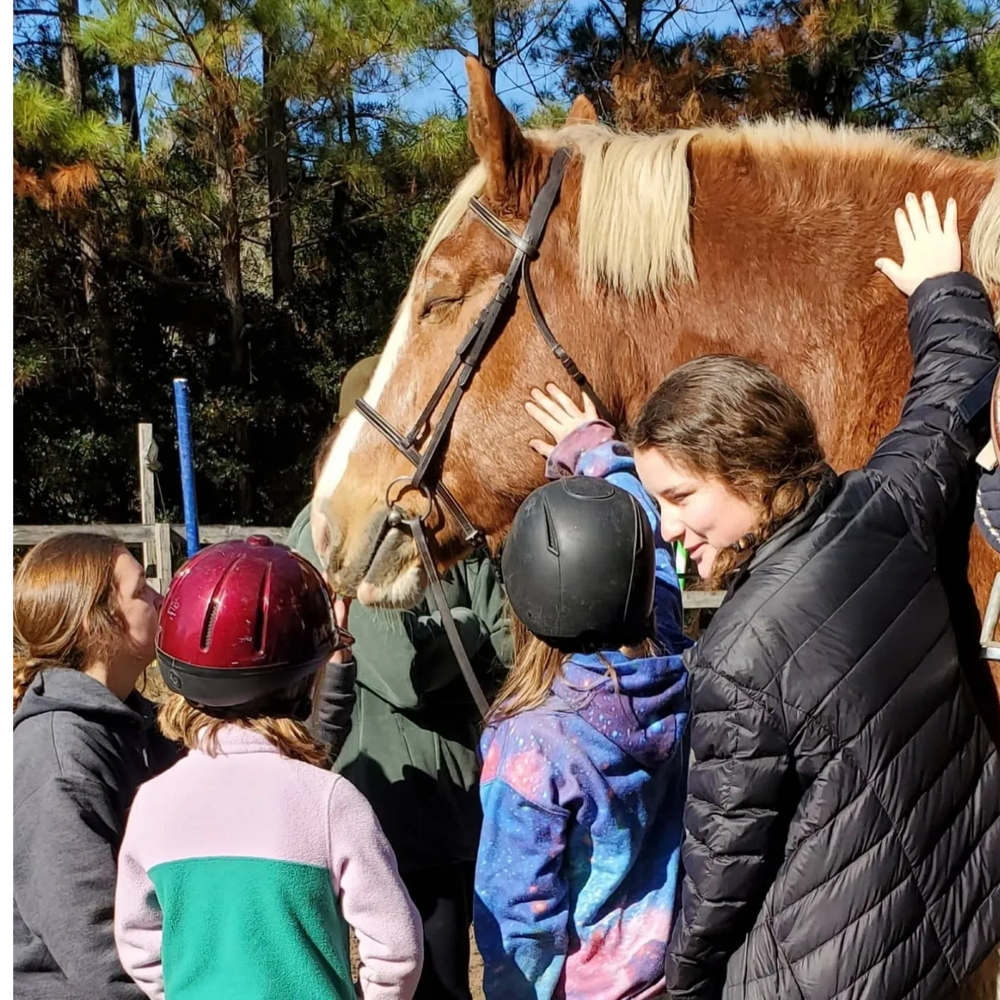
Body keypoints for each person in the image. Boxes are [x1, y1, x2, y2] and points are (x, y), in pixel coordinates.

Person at [612, 192, 997, 998]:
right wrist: (943, 286)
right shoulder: (892, 505)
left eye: (680, 497)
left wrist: (683, 989)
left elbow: (720, 881)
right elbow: (950, 391)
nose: (669, 530)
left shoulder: (735, 660)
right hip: (966, 924)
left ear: (746, 464)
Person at [113, 536, 423, 1000]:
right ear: (305, 681)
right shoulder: (331, 800)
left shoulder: (153, 801)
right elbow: (397, 950)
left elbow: (138, 944)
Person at [288, 354, 510, 1000]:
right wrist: (465, 624)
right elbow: (407, 668)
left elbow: (505, 641)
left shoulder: (437, 529)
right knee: (423, 984)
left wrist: (463, 625)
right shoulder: (325, 535)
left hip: (454, 801)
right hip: (394, 806)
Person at [473, 403, 692, 1000]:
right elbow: (653, 570)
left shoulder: (532, 745)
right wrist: (599, 452)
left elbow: (518, 913)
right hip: (677, 972)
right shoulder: (677, 673)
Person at [11, 532, 178, 1000]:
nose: (160, 599)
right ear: (93, 624)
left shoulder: (138, 724)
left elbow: (253, 786)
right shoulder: (58, 756)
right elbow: (99, 954)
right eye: (141, 590)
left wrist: (331, 677)